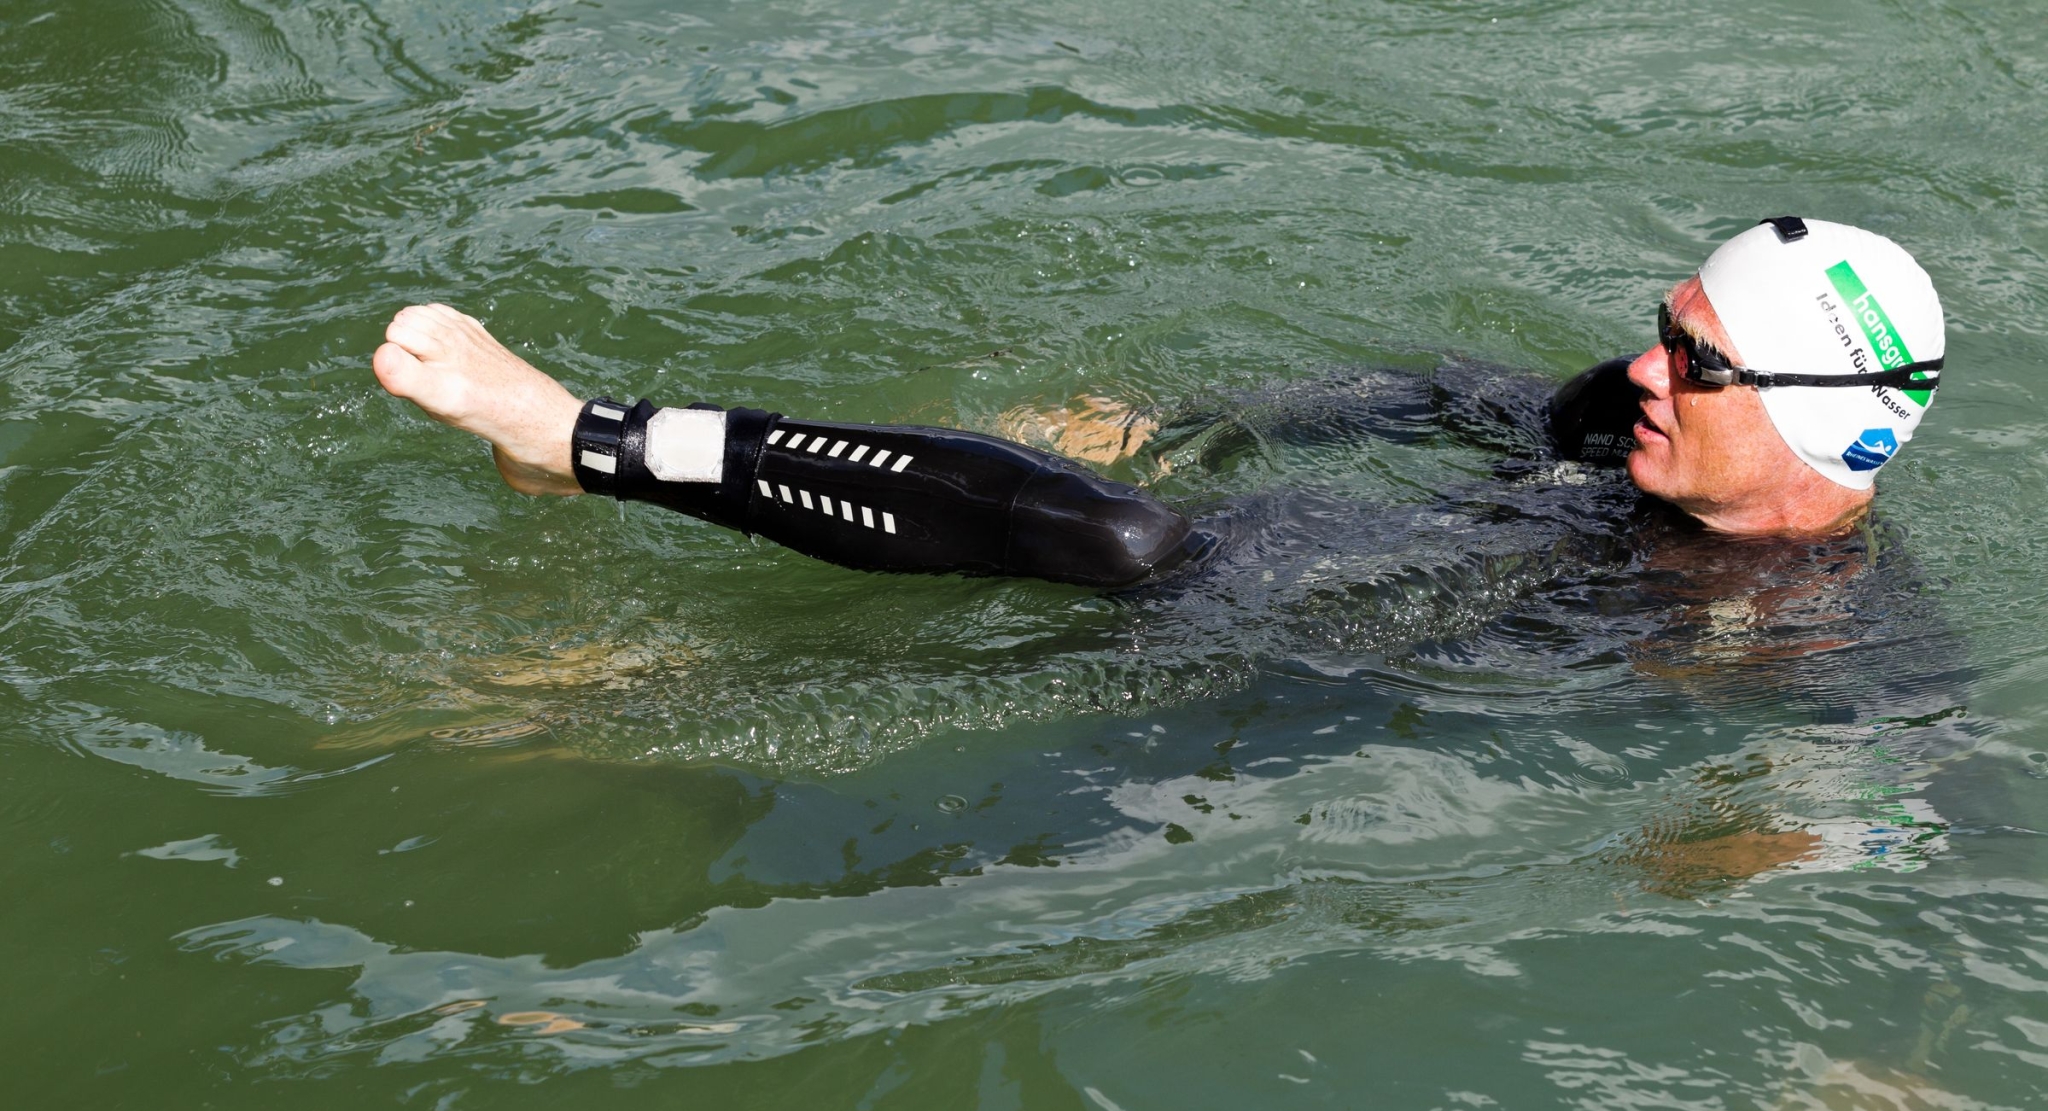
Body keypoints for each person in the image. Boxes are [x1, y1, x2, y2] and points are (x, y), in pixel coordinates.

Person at [372, 216, 1944, 587]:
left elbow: (1957, 863)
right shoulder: (1617, 422)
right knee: (1130, 540)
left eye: (1704, 363)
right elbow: (1435, 389)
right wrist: (1203, 415)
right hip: (1306, 576)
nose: (1651, 368)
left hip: (1351, 716)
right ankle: (583, 438)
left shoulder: (1855, 648)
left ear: (1827, 423)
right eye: (1666, 331)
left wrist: (1904, 1064)